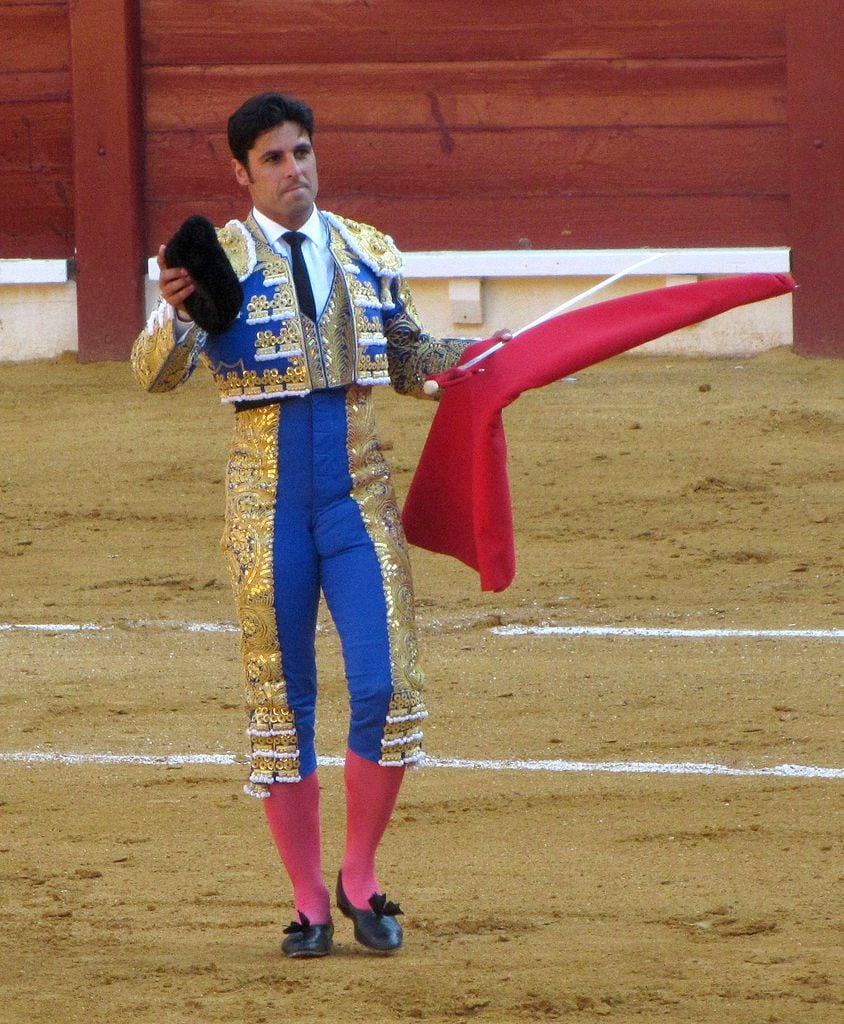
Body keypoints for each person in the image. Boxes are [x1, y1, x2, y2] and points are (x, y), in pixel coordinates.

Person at [131, 92, 498, 958]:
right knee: (280, 701)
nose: (294, 170)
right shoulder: (210, 262)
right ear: (241, 172)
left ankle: (359, 877)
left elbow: (409, 359)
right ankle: (308, 902)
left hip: (357, 497)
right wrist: (179, 310)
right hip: (265, 504)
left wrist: (485, 360)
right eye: (273, 158)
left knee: (388, 685)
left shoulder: (367, 250)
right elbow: (153, 373)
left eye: (302, 152)